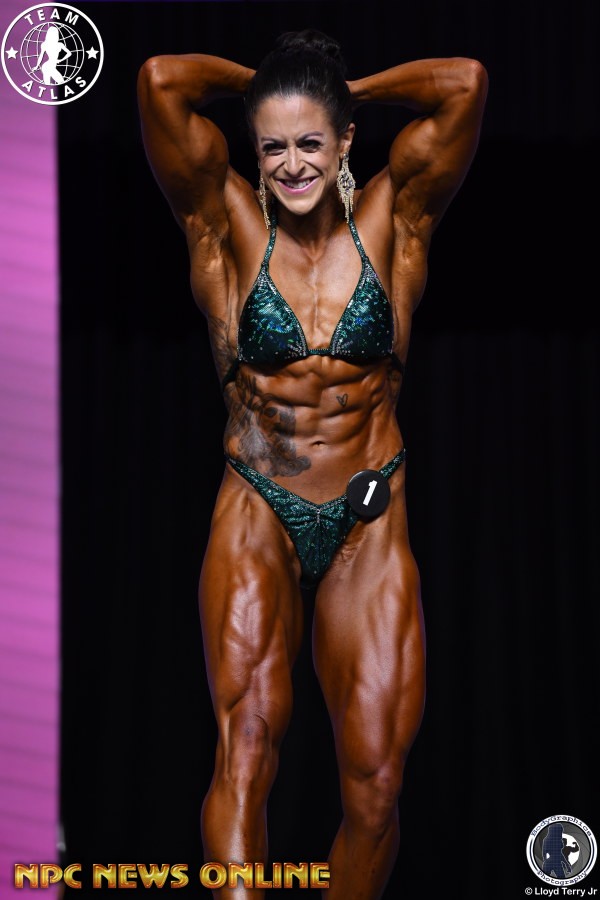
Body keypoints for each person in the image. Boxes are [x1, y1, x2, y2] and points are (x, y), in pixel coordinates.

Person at [137, 29, 487, 898]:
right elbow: (161, 80)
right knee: (248, 743)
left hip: (369, 517)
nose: (291, 164)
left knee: (377, 786)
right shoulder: (223, 218)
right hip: (259, 497)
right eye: (272, 146)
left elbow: (464, 83)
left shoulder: (396, 215)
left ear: (343, 142)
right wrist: (269, 82)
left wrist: (342, 86)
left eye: (309, 141)